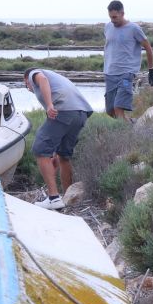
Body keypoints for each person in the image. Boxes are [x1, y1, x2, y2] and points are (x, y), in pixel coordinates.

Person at [23, 67, 94, 210]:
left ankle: (53, 198)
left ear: (27, 79)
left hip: (63, 110)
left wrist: (49, 105)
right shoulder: (56, 77)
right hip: (81, 114)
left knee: (40, 149)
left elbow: (42, 79)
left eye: (26, 85)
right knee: (63, 156)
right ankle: (68, 197)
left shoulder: (33, 74)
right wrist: (54, 153)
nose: (28, 88)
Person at [103, 0, 153, 120]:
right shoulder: (108, 27)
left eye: (115, 17)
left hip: (126, 73)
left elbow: (148, 48)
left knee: (118, 107)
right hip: (110, 73)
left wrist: (151, 70)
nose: (112, 20)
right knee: (110, 111)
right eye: (110, 17)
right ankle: (132, 124)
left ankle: (126, 130)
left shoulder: (134, 29)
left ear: (122, 13)